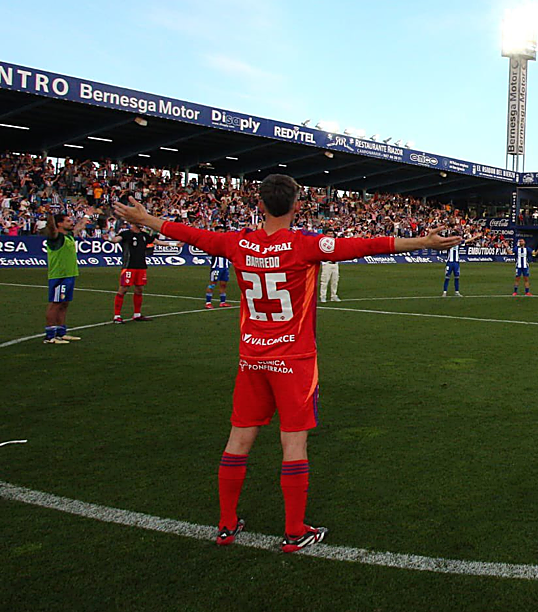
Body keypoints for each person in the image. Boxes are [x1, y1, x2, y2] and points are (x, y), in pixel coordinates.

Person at [113, 175, 460, 552]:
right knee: (293, 443)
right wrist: (424, 241)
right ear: (297, 206)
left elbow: (193, 234)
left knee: (239, 439)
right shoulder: (305, 246)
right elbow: (367, 245)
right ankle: (294, 530)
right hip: (293, 360)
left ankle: (227, 524)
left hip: (252, 358)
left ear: (259, 205)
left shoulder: (235, 243)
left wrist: (146, 219)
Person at [43, 212, 85, 344]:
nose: (71, 222)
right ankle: (50, 336)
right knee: (56, 304)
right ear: (59, 224)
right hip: (59, 276)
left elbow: (79, 227)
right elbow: (51, 228)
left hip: (70, 275)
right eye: (68, 221)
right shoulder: (56, 237)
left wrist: (87, 215)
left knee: (64, 303)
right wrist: (49, 215)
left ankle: (61, 332)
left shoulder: (69, 236)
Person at [112, 221, 155, 323]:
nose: (142, 224)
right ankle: (117, 316)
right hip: (129, 266)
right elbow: (116, 239)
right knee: (123, 289)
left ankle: (137, 314)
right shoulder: (126, 234)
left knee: (139, 289)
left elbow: (156, 241)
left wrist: (175, 244)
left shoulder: (144, 235)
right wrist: (110, 239)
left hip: (141, 266)